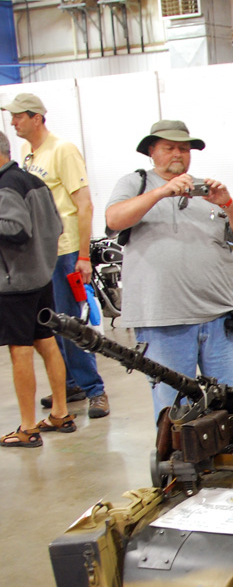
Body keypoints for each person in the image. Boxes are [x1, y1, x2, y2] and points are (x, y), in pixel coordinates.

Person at [104, 119, 233, 419]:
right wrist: (162, 192)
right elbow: (114, 219)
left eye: (184, 148)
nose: (178, 154)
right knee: (174, 412)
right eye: (169, 147)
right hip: (163, 320)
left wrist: (228, 202)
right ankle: (181, 464)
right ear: (151, 151)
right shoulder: (137, 183)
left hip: (220, 318)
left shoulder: (205, 192)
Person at [1, 91, 109, 418]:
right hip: (39, 257)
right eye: (12, 116)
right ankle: (71, 384)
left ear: (37, 117)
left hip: (65, 252)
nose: (13, 122)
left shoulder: (63, 150)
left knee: (69, 323)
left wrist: (84, 255)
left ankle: (95, 390)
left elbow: (84, 204)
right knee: (47, 328)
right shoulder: (26, 154)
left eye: (19, 116)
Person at [0, 129, 75, 447]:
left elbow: (16, 228)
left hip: (15, 283)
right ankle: (60, 412)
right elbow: (57, 225)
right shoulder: (33, 180)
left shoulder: (5, 185)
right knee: (46, 342)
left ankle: (28, 428)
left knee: (20, 351)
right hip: (41, 276)